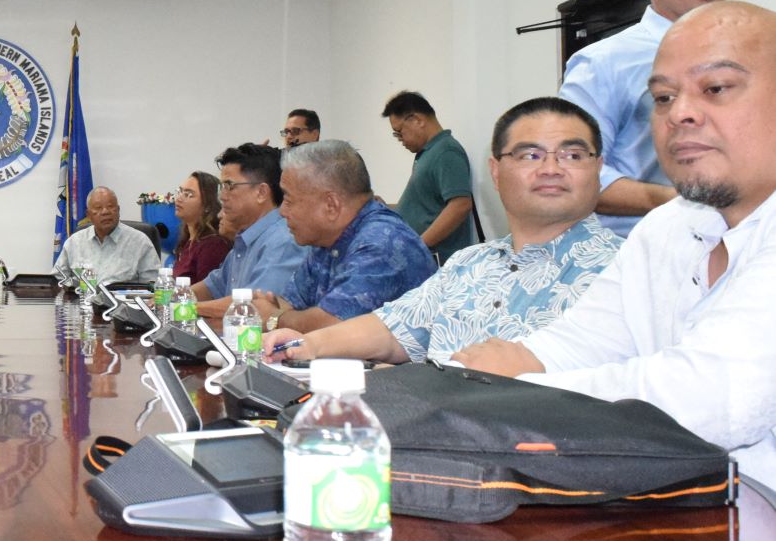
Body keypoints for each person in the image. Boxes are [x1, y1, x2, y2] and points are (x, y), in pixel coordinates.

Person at [455, 2, 776, 541]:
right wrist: (501, 370)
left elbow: (715, 397)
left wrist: (521, 383)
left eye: (717, 88)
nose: (682, 116)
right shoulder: (673, 228)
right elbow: (576, 347)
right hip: (695, 526)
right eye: (663, 97)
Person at [263, 97, 619, 364]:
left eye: (572, 155)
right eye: (530, 156)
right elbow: (392, 329)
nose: (551, 168)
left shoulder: (626, 270)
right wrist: (305, 345)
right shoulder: (469, 263)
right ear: (495, 172)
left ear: (599, 168)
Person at [559, 0, 729, 237]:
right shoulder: (603, 63)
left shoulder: (752, 51)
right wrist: (680, 201)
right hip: (644, 252)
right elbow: (574, 170)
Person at [253, 140, 435, 333]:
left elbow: (333, 326)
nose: (282, 211)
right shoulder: (327, 240)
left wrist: (275, 318)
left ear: (331, 205)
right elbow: (289, 304)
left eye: (288, 200)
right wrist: (275, 313)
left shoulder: (381, 242)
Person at [189, 143, 308, 320]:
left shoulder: (284, 241)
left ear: (261, 192)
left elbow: (253, 308)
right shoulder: (246, 241)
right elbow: (211, 287)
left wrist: (185, 307)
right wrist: (166, 298)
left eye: (229, 185)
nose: (221, 196)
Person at [381, 90, 477, 262]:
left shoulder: (446, 151)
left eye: (399, 132)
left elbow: (460, 205)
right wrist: (387, 208)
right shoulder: (428, 153)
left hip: (440, 261)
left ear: (417, 120)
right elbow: (426, 207)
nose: (400, 139)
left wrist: (419, 245)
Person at [54, 187, 160, 285]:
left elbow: (153, 285)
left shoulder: (140, 242)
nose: (105, 212)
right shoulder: (74, 242)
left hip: (124, 304)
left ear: (118, 210)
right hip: (82, 303)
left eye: (110, 207)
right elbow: (57, 280)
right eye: (98, 208)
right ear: (89, 215)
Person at [170, 170, 230, 283]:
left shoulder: (213, 245)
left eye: (188, 194)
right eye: (180, 191)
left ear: (207, 205)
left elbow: (208, 293)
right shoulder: (188, 241)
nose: (178, 199)